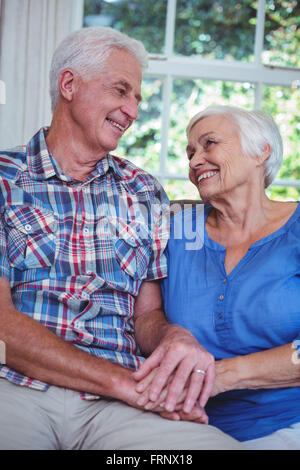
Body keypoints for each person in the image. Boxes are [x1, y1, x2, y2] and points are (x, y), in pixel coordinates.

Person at [0, 28, 243, 450]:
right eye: (121, 90)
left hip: (114, 406)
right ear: (70, 85)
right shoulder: (5, 177)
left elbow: (145, 318)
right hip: (16, 388)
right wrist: (129, 385)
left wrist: (174, 339)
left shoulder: (143, 190)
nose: (132, 110)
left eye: (137, 99)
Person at [148, 105, 300, 450]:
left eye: (209, 144)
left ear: (262, 151)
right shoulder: (174, 228)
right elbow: (143, 315)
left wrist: (221, 376)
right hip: (180, 425)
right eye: (190, 153)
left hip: (288, 425)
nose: (194, 161)